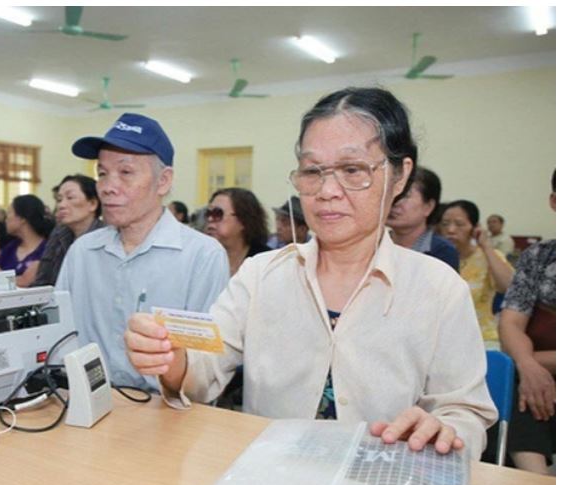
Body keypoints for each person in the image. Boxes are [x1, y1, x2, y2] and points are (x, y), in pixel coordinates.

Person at [125, 88, 497, 459]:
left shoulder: (438, 287)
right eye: (312, 171)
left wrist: (446, 430)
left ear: (399, 176)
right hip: (269, 478)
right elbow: (203, 370)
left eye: (352, 170)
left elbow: (465, 412)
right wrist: (172, 361)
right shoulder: (261, 275)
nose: (327, 191)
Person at [57, 112, 229, 393]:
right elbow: (60, 341)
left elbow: (206, 368)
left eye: (125, 173)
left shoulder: (202, 256)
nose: (108, 187)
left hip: (169, 412)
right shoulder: (82, 253)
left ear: (163, 181)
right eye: (102, 173)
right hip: (90, 404)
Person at [498, 172, 556, 474]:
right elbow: (510, 323)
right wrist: (527, 365)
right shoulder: (539, 256)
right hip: (540, 376)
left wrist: (534, 364)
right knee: (514, 380)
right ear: (554, 202)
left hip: (547, 369)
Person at [439, 200, 514, 345]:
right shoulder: (436, 257)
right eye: (445, 224)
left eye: (459, 224)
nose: (451, 230)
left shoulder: (489, 256)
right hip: (442, 339)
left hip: (482, 338)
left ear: (474, 228)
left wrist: (486, 247)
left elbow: (509, 287)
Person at [33, 174, 104, 287]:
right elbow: (43, 280)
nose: (61, 205)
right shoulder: (59, 233)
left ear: (93, 204)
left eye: (70, 198)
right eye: (59, 199)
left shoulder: (106, 237)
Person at [386, 167, 459, 271]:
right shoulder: (375, 245)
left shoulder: (442, 251)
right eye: (394, 193)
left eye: (405, 196)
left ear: (428, 207)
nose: (395, 202)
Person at [204, 187, 270, 276]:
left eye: (217, 213)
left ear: (243, 220)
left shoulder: (267, 262)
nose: (210, 219)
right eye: (208, 213)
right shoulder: (202, 258)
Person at [0, 194, 53, 287]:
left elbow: (25, 282)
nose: (6, 219)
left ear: (22, 218)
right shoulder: (10, 248)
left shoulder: (46, 250)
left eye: (9, 213)